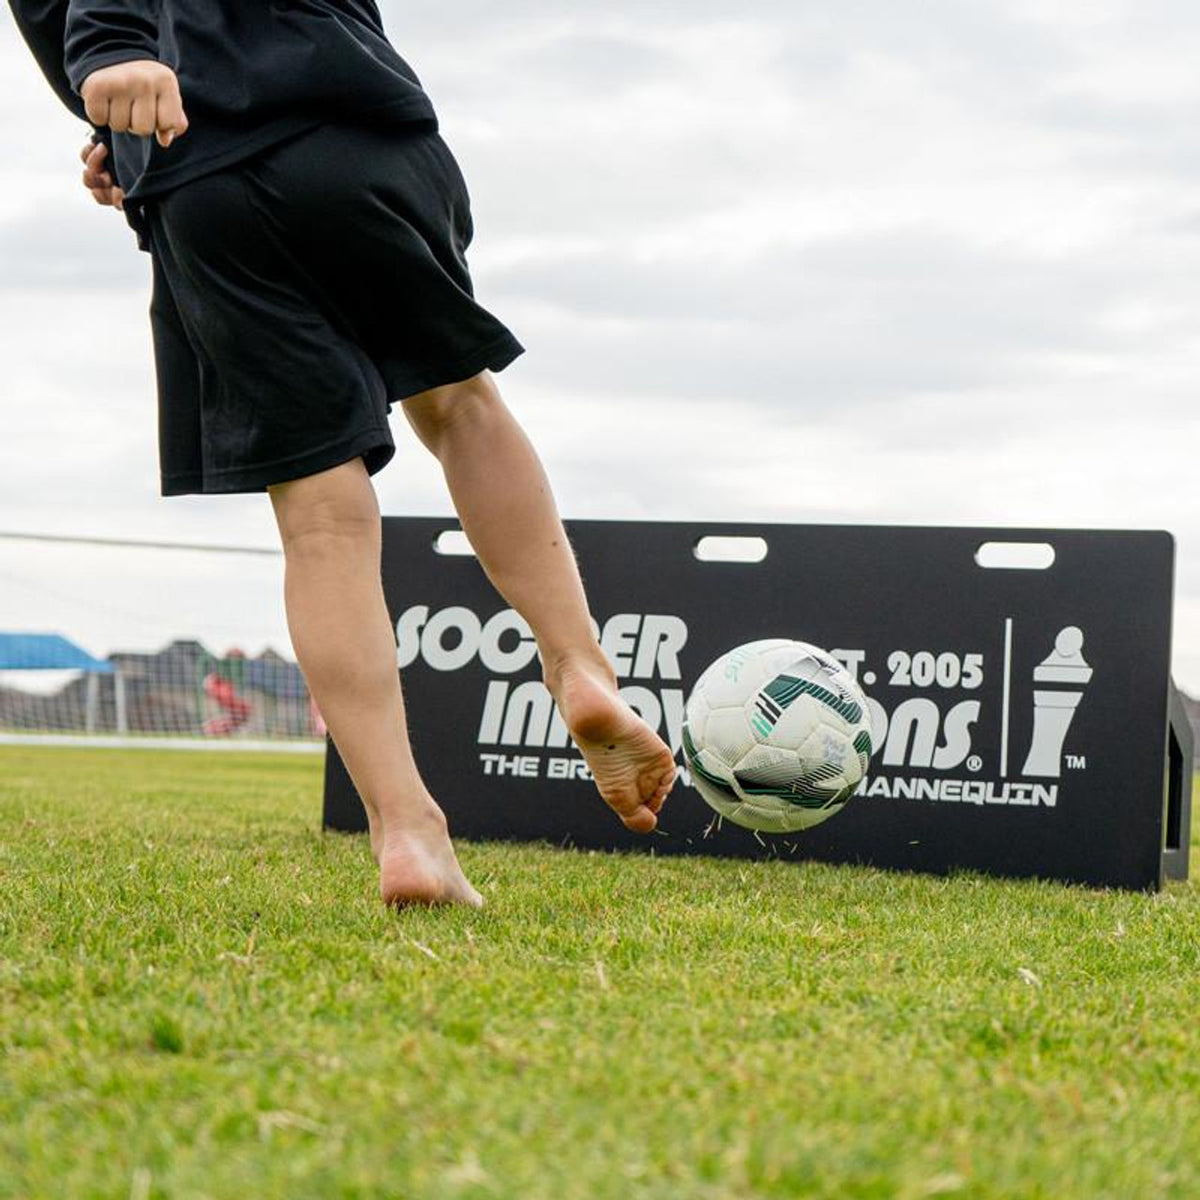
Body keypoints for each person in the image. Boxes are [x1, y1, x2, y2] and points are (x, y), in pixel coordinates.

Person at [10, 0, 677, 908]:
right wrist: (114, 72)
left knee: (321, 518)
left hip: (198, 173)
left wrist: (113, 84)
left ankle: (407, 826)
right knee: (459, 403)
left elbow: (80, 35)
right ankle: (578, 665)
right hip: (357, 132)